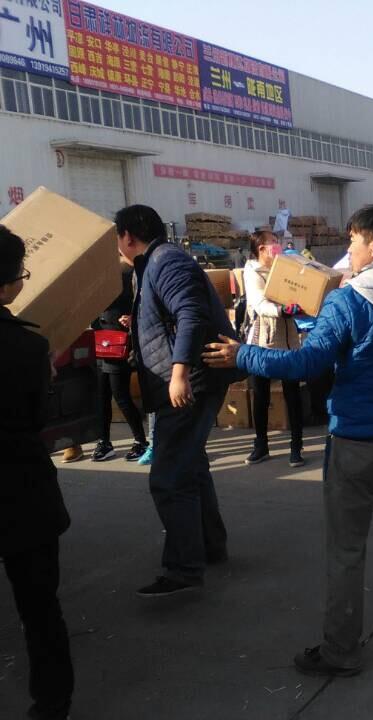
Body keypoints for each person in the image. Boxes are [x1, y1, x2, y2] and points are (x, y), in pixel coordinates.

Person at [203, 204, 373, 677]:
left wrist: (243, 354)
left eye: (353, 241)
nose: (348, 250)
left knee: (347, 552)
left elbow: (305, 364)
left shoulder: (348, 301)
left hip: (357, 444)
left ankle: (341, 651)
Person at [118, 204, 235, 598]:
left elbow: (190, 314)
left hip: (187, 383)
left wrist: (180, 372)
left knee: (169, 476)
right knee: (192, 465)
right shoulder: (152, 264)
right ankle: (210, 546)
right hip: (186, 379)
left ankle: (184, 568)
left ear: (128, 236)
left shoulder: (165, 261)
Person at [0, 225, 74, 720]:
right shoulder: (29, 348)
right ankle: (51, 702)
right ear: (8, 285)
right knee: (40, 607)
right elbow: (36, 420)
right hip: (22, 491)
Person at [243, 229, 306, 466]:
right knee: (261, 395)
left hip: (288, 338)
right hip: (263, 340)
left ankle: (296, 446)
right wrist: (282, 310)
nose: (277, 245)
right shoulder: (253, 272)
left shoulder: (284, 267)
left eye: (277, 241)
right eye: (273, 242)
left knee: (293, 394)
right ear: (261, 249)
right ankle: (261, 445)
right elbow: (259, 304)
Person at [92, 257, 149, 462]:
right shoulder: (98, 276)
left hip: (118, 341)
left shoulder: (127, 273)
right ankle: (104, 441)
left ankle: (140, 440)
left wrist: (132, 319)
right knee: (102, 396)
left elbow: (141, 303)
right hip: (101, 339)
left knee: (121, 395)